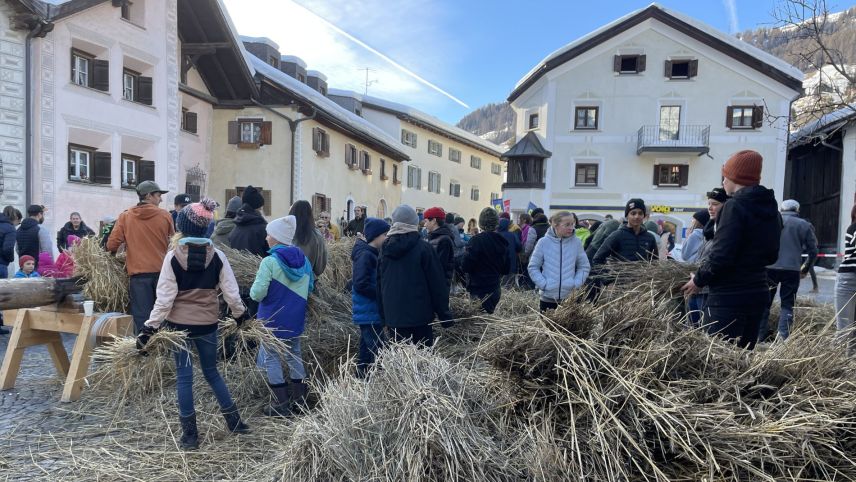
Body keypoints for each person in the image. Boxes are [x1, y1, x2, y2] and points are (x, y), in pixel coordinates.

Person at [136, 198, 250, 450]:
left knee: (184, 378)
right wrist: (240, 316)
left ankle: (190, 436)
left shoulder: (172, 257)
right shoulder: (218, 256)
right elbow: (231, 293)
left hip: (179, 327)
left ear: (182, 227)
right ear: (206, 228)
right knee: (212, 373)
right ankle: (235, 422)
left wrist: (149, 328)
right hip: (208, 323)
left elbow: (164, 300)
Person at [681, 150, 781, 350]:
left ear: (734, 177)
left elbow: (721, 255)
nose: (723, 181)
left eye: (725, 176)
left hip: (728, 297)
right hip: (758, 293)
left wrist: (698, 280)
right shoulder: (772, 209)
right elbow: (772, 255)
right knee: (744, 361)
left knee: (719, 361)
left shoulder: (734, 206)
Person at [250, 215, 314, 417]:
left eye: (269, 234)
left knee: (272, 358)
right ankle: (300, 400)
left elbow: (257, 294)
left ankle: (281, 403)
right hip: (295, 318)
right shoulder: (304, 261)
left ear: (276, 238)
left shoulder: (269, 262)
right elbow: (310, 287)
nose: (267, 238)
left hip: (272, 319)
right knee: (294, 354)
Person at [377, 205, 452, 346]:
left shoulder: (385, 249)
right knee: (423, 359)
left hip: (394, 317)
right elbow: (437, 284)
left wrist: (383, 317)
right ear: (414, 223)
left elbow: (380, 284)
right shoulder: (425, 248)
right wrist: (444, 315)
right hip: (421, 317)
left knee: (400, 361)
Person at [107, 180, 175, 334]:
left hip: (138, 276)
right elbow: (173, 243)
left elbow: (111, 245)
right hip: (162, 274)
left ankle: (144, 350)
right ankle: (163, 350)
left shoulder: (125, 216)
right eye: (158, 195)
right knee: (163, 314)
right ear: (149, 196)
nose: (161, 199)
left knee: (142, 317)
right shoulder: (165, 216)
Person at [759, 199, 818, 342]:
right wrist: (805, 268)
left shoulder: (769, 221)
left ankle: (759, 336)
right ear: (797, 210)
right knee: (787, 304)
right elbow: (813, 251)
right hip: (792, 269)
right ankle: (782, 338)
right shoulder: (804, 224)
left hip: (769, 268)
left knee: (764, 304)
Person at [528, 211, 591, 311]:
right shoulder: (543, 242)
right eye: (567, 225)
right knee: (547, 327)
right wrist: (543, 284)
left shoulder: (576, 242)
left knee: (569, 327)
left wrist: (576, 283)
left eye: (572, 224)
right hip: (547, 299)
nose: (571, 227)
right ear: (555, 225)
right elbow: (533, 267)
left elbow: (584, 266)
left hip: (570, 299)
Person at [351, 217, 390, 377]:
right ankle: (385, 379)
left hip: (369, 311)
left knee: (366, 351)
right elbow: (360, 284)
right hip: (368, 310)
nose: (387, 238)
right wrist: (381, 292)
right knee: (380, 350)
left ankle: (360, 379)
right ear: (376, 236)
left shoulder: (372, 253)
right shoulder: (366, 255)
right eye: (385, 234)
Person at [686, 188, 728, 327]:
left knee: (705, 329)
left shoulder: (725, 230)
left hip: (709, 290)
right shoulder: (709, 230)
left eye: (715, 204)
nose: (710, 207)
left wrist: (700, 280)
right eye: (709, 204)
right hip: (698, 285)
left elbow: (716, 260)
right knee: (694, 327)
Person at [462, 208, 510, 314]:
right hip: (495, 289)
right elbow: (506, 269)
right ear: (497, 223)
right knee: (488, 323)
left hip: (478, 291)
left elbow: (465, 266)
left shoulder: (475, 241)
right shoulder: (503, 242)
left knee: (478, 325)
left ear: (481, 223)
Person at [592, 199, 659, 265]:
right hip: (621, 275)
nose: (637, 216)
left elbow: (655, 262)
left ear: (643, 216)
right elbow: (597, 259)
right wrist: (611, 274)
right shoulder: (617, 235)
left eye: (640, 213)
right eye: (633, 213)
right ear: (627, 216)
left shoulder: (650, 237)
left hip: (644, 276)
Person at [835, 203, 856, 354]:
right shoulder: (852, 229)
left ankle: (841, 363)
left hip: (848, 277)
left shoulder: (852, 228)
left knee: (844, 324)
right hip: (849, 276)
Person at [289, 200, 328, 277]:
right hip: (307, 281)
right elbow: (319, 268)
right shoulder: (317, 236)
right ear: (310, 214)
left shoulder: (285, 233)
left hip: (284, 282)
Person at [228, 186, 268, 258]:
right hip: (259, 268)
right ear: (256, 208)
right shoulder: (262, 229)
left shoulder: (235, 229)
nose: (262, 211)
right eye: (260, 208)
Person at [424, 207, 456, 287]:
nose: (424, 225)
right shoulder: (435, 237)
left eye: (426, 221)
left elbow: (438, 267)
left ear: (434, 221)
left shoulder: (444, 240)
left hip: (438, 286)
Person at [16, 205, 46, 270]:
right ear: (39, 214)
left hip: (23, 266)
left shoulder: (18, 229)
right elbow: (47, 250)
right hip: (38, 267)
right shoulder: (41, 229)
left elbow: (17, 249)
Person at [497, 217, 522, 287]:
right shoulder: (512, 235)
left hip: (497, 264)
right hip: (511, 263)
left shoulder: (495, 235)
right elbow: (519, 246)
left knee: (498, 284)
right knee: (509, 285)